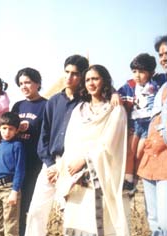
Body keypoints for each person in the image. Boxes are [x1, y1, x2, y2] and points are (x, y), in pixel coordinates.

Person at [56, 64, 129, 235]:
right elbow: (71, 142)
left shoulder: (115, 110)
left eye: (95, 78)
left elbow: (109, 144)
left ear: (104, 81)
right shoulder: (79, 110)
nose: (91, 83)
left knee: (96, 224)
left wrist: (85, 160)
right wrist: (69, 168)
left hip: (99, 175)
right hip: (75, 177)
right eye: (87, 79)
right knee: (76, 223)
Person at [25, 55, 89, 236]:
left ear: (83, 76)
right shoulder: (53, 101)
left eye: (75, 74)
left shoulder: (87, 102)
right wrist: (50, 163)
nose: (69, 77)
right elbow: (44, 136)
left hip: (73, 165)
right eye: (67, 72)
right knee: (36, 210)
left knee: (71, 214)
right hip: (51, 162)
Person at [11, 67, 47, 236]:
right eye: (20, 83)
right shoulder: (18, 106)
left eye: (27, 82)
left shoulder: (46, 105)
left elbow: (47, 134)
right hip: (17, 162)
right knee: (15, 206)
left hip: (35, 163)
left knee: (30, 206)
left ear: (37, 83)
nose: (24, 86)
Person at [137, 35, 167, 236]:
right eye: (161, 54)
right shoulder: (162, 88)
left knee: (165, 223)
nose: (164, 57)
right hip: (150, 162)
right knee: (155, 223)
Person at [118, 53, 158, 195]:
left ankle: (134, 180)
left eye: (141, 72)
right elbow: (115, 93)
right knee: (130, 150)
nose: (137, 75)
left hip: (148, 124)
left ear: (151, 73)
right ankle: (128, 179)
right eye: (134, 71)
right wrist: (114, 95)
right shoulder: (129, 86)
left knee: (140, 152)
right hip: (134, 123)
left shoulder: (155, 86)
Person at [0, 111, 25, 236]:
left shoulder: (17, 146)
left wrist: (14, 191)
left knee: (10, 226)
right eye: (4, 128)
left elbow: (20, 169)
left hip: (9, 188)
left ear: (16, 130)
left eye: (11, 129)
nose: (7, 132)